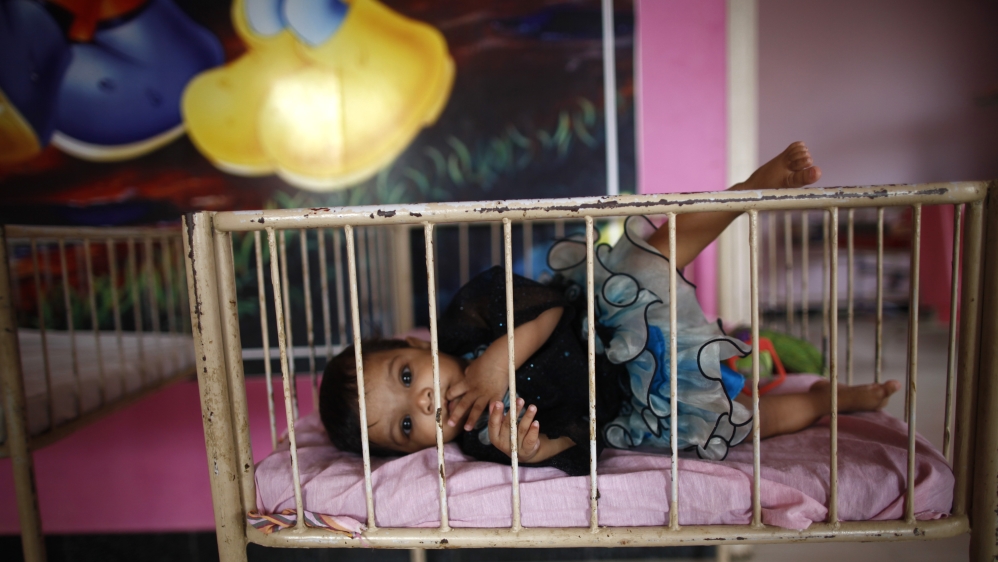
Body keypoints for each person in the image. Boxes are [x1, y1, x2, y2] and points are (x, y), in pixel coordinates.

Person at [319, 142, 901, 476]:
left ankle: (748, 190)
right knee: (732, 425)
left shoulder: (465, 324)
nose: (424, 402)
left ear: (416, 344)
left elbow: (548, 309)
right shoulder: (480, 442)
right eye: (406, 425)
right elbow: (579, 444)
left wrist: (497, 361)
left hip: (599, 323)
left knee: (650, 259)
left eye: (406, 376)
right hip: (631, 399)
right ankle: (824, 400)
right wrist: (531, 451)